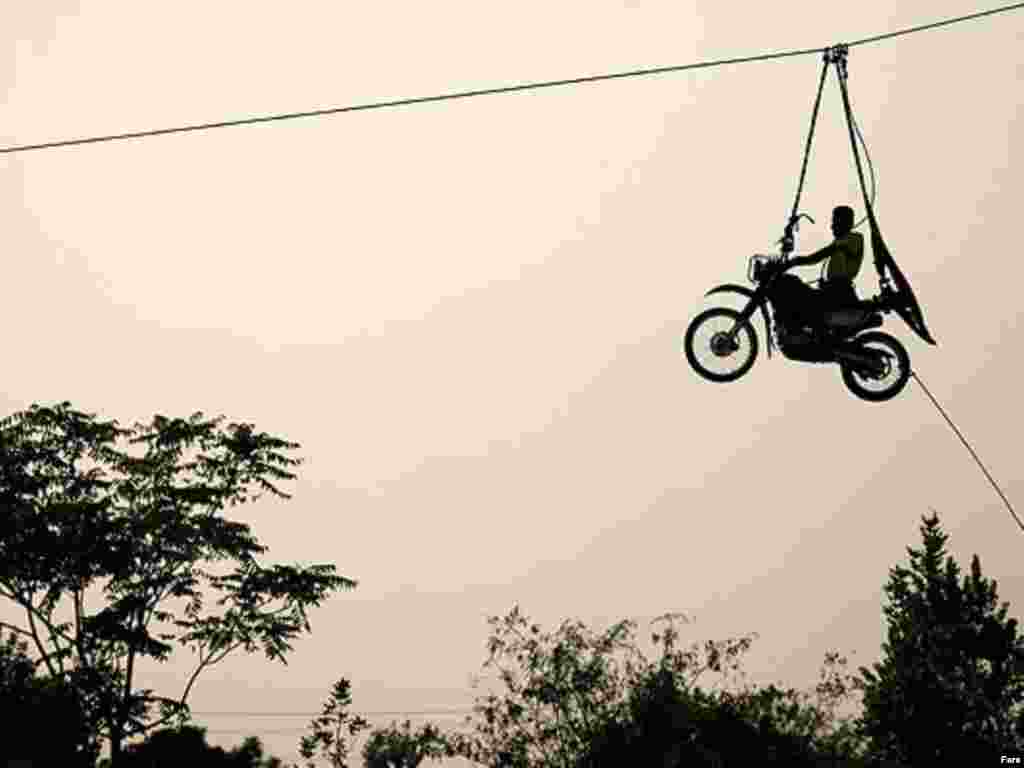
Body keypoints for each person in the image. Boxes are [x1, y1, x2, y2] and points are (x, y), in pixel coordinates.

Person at [773, 205, 864, 339]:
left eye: (835, 222)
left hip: (839, 290)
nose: (832, 227)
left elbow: (819, 256)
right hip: (832, 287)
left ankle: (814, 337)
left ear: (847, 223)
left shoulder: (853, 238)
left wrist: (794, 262)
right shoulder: (840, 241)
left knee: (805, 304)